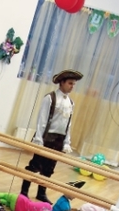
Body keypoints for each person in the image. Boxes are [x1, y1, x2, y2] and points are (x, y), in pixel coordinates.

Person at [22, 69, 82, 203]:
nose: (72, 86)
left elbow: (68, 124)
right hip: (47, 137)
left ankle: (41, 193)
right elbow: (41, 120)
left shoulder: (71, 103)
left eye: (74, 84)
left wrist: (66, 142)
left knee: (49, 168)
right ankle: (24, 191)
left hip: (59, 140)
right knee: (35, 165)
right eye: (70, 83)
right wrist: (39, 139)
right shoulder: (50, 98)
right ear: (62, 83)